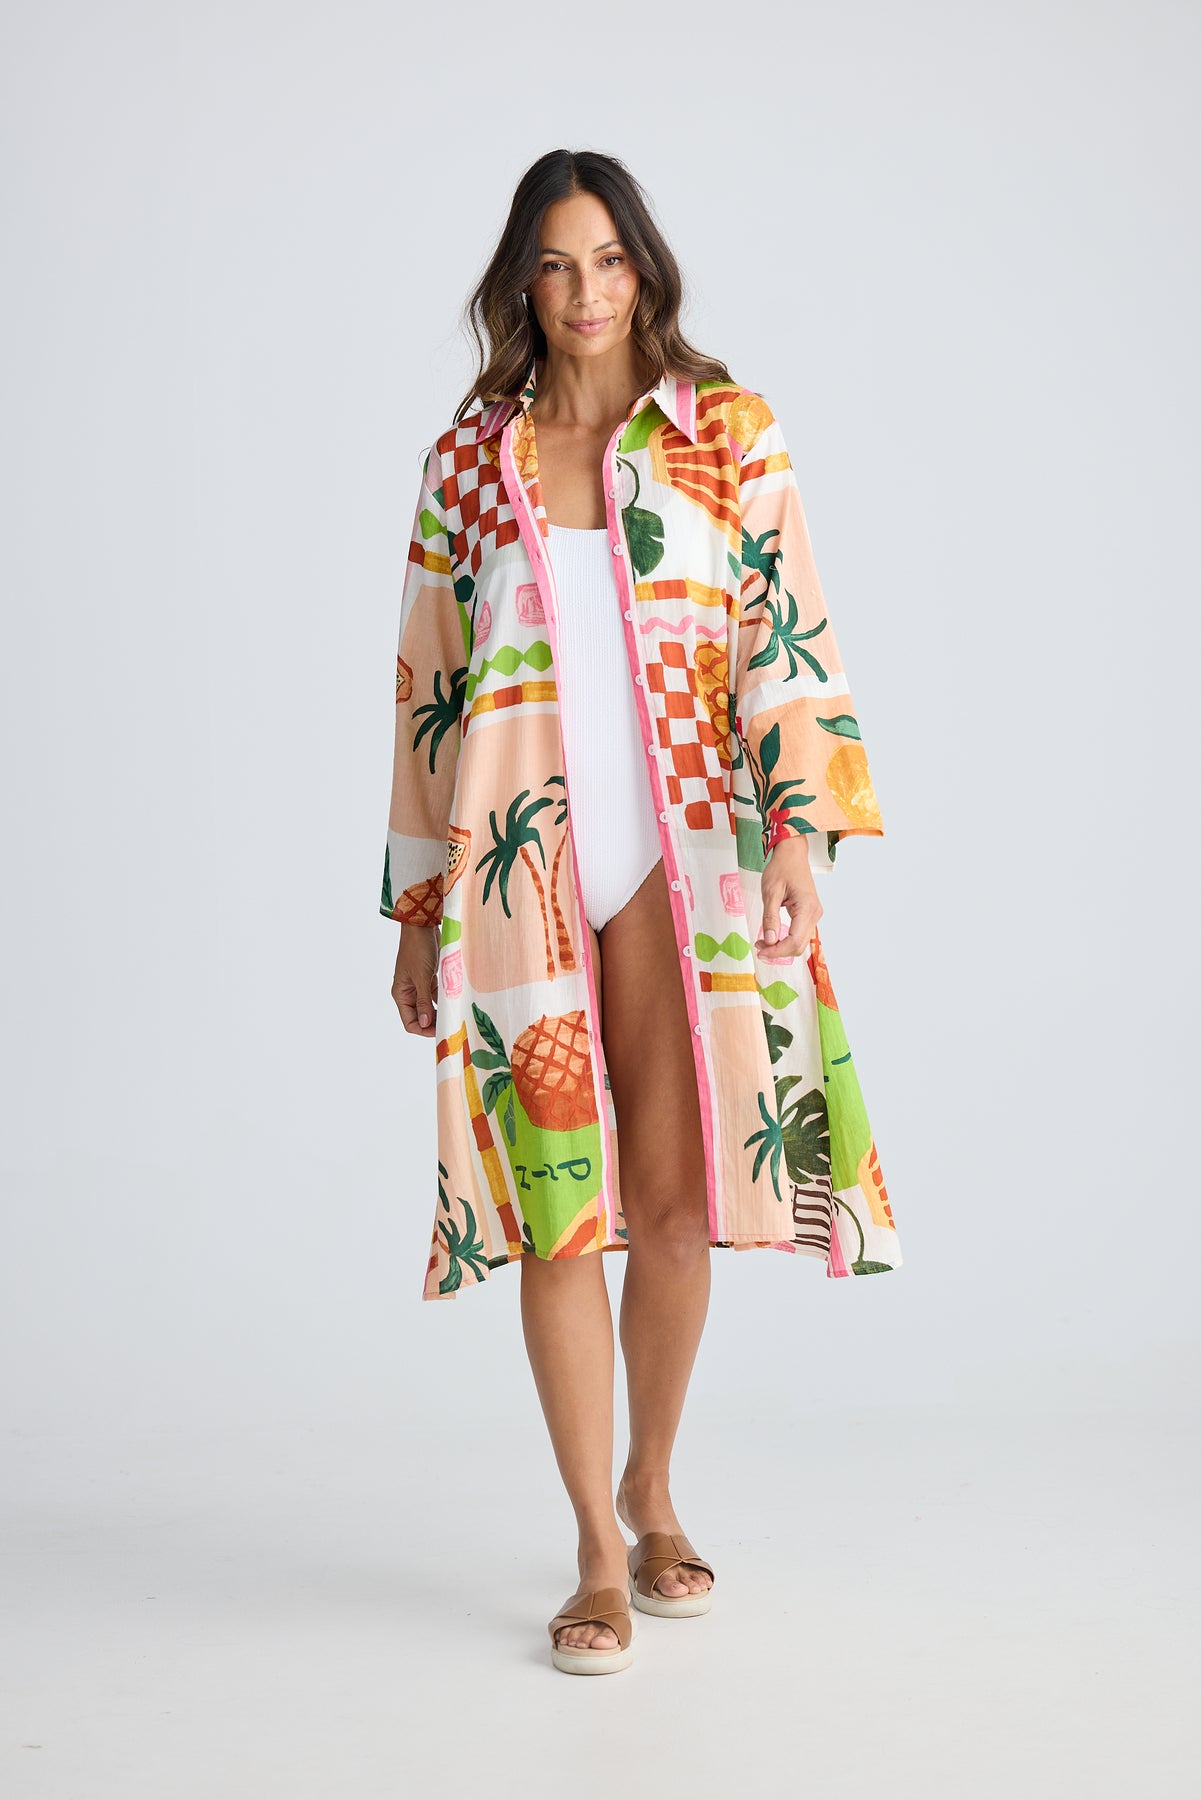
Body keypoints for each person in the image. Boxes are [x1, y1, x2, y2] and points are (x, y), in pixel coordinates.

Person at [381, 148, 900, 1675]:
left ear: (643, 269)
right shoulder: (467, 460)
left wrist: (800, 830)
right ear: (521, 284)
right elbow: (425, 688)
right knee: (559, 1212)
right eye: (554, 264)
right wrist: (415, 908)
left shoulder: (723, 432)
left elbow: (785, 632)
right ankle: (595, 1555)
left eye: (607, 259)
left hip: (690, 859)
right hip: (521, 872)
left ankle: (652, 1492)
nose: (585, 291)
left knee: (672, 1212)